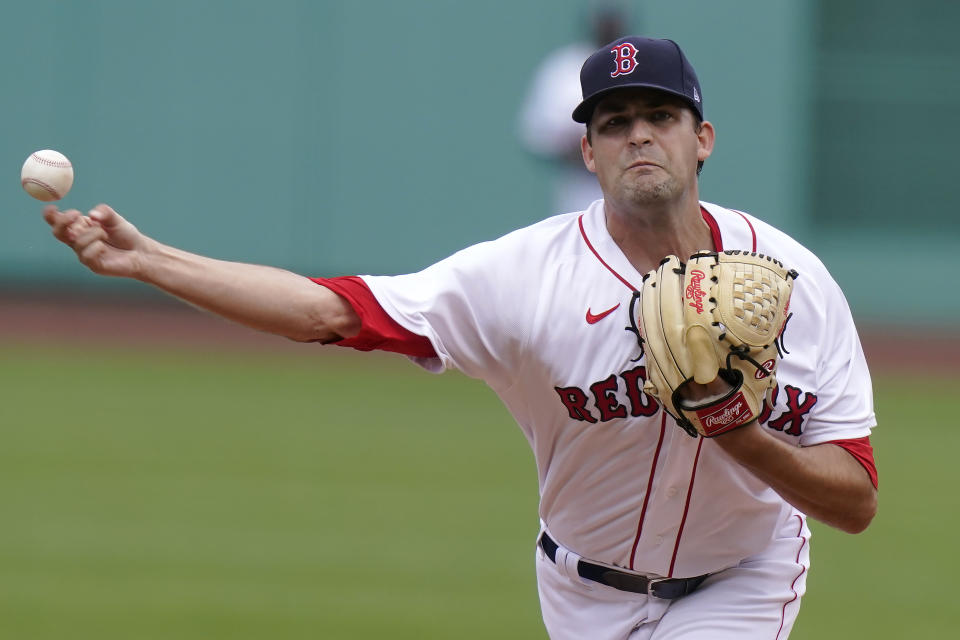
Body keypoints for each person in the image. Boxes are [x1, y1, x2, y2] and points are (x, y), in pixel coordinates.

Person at [43, 36, 878, 640]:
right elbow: (334, 312)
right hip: (581, 589)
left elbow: (855, 500)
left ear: (702, 139)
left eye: (660, 114)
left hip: (743, 577)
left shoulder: (793, 282)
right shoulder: (522, 278)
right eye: (614, 122)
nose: (638, 135)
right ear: (586, 151)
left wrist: (741, 434)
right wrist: (152, 261)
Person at [517, 5, 626, 214]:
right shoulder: (564, 69)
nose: (609, 26)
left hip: (636, 189)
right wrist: (592, 150)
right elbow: (536, 134)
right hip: (580, 192)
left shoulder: (642, 65)